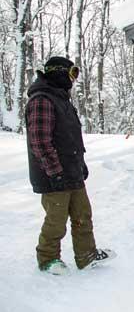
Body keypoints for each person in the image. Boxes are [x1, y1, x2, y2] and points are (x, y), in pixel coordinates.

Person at [26, 56, 113, 274]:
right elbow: (39, 142)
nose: (73, 80)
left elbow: (71, 139)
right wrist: (55, 172)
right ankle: (48, 259)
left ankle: (87, 255)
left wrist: (79, 164)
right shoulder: (41, 100)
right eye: (72, 74)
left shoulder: (62, 100)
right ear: (59, 73)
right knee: (56, 220)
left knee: (83, 215)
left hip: (71, 172)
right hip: (53, 175)